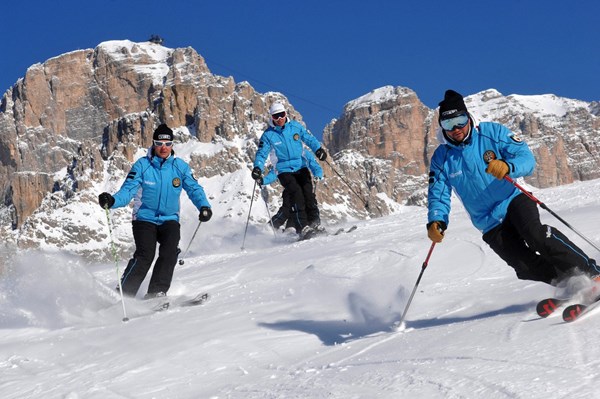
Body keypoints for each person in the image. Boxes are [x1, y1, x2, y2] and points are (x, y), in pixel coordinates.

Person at [427, 89, 598, 286]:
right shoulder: (442, 157)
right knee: (523, 265)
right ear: (442, 127)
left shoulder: (491, 133)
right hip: (487, 220)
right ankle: (567, 283)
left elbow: (526, 158)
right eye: (448, 123)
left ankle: (591, 272)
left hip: (512, 200)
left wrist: (509, 166)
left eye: (460, 120)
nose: (456, 128)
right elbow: (438, 192)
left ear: (468, 118)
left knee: (537, 236)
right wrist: (436, 220)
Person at [98, 124, 212, 298]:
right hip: (144, 218)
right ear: (153, 144)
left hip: (169, 219)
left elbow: (194, 188)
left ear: (172, 145)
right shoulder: (142, 165)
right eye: (159, 143)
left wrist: (204, 206)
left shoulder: (179, 167)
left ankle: (155, 293)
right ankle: (123, 296)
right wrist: (112, 201)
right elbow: (128, 190)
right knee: (145, 255)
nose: (163, 147)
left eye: (167, 144)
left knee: (169, 252)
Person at [251, 102, 327, 237]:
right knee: (296, 194)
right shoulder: (268, 135)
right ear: (272, 118)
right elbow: (262, 153)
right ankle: (302, 228)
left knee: (308, 193)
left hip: (300, 166)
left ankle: (315, 223)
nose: (279, 118)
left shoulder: (295, 127)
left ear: (286, 114)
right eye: (276, 116)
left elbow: (308, 138)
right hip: (284, 170)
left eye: (282, 115)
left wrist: (318, 149)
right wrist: (257, 168)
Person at [263, 148, 324, 232]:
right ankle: (271, 228)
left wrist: (318, 174)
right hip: (291, 185)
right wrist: (263, 180)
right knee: (288, 207)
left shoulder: (303, 152)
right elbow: (275, 171)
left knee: (310, 201)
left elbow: (313, 164)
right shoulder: (282, 155)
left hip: (303, 182)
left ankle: (314, 225)